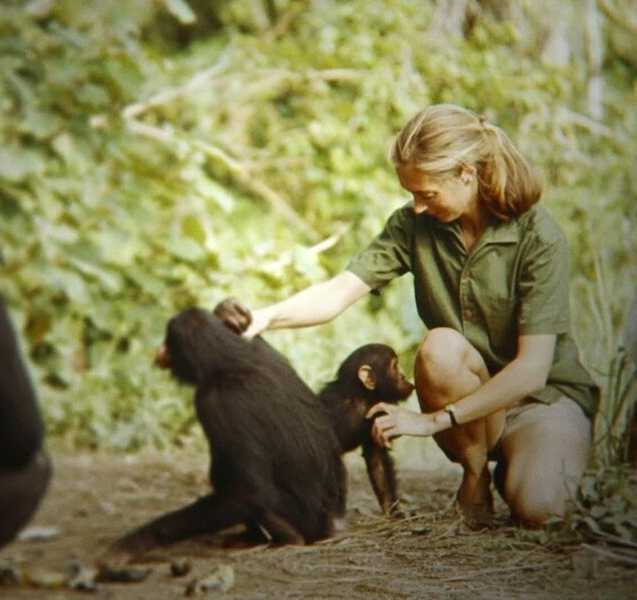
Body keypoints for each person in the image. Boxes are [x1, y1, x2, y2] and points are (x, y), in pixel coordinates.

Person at [223, 104, 598, 527]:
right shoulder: (415, 225)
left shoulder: (538, 235)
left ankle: (521, 463)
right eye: (412, 195)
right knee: (441, 347)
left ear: (466, 174)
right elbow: (338, 291)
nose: (417, 207)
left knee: (543, 510)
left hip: (539, 401)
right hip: (468, 392)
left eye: (427, 194)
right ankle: (475, 476)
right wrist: (264, 317)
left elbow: (532, 370)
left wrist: (430, 421)